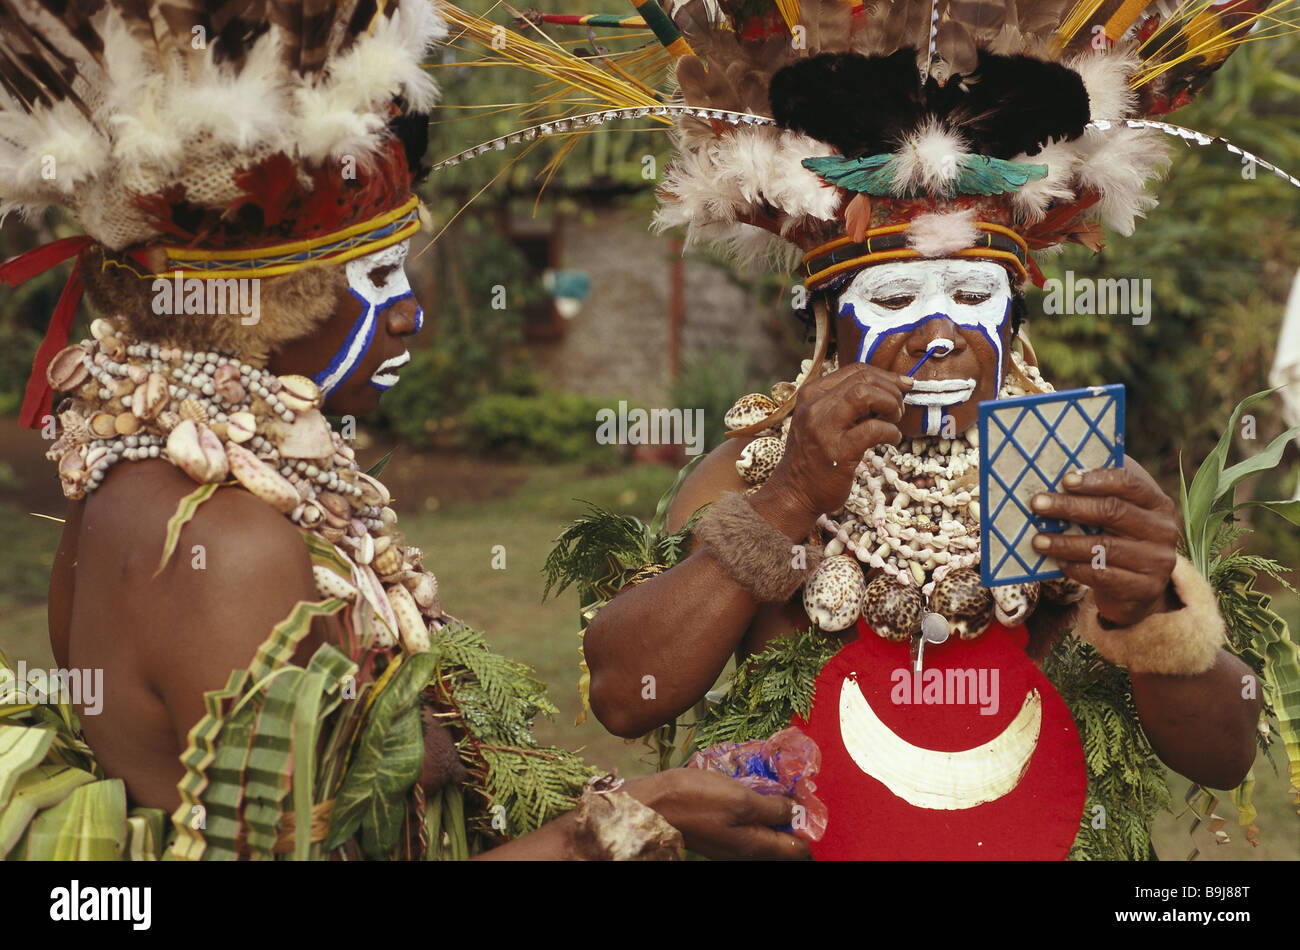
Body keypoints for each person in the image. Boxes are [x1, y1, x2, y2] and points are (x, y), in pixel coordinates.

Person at [433, 0, 1297, 858]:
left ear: (1012, 324)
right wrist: (789, 501)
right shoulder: (760, 472)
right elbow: (626, 694)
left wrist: (1150, 605)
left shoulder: (1071, 475)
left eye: (971, 296)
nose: (939, 332)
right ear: (831, 325)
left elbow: (1221, 758)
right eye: (894, 301)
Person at [0, 0, 806, 861]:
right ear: (268, 300)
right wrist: (614, 828)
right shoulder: (229, 545)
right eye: (379, 277)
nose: (412, 314)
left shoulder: (127, 486)